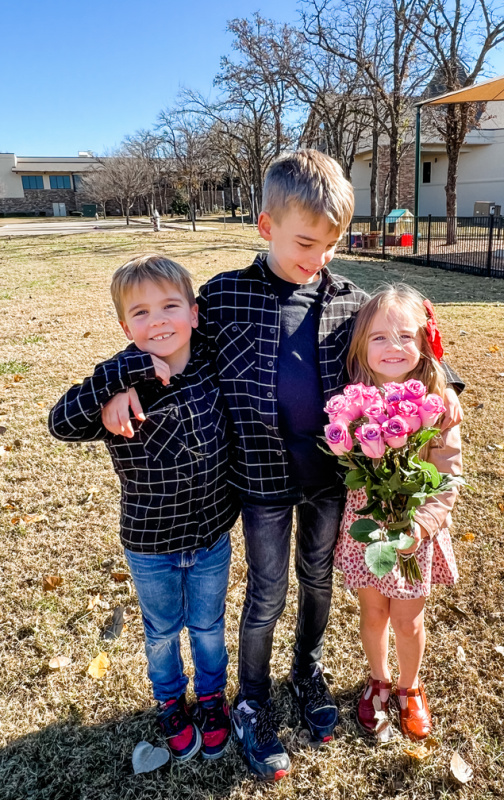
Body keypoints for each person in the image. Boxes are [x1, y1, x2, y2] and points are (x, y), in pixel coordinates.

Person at [100, 150, 465, 781]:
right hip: (260, 482)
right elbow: (164, 341)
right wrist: (120, 382)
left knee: (318, 581)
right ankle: (251, 697)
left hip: (331, 479)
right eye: (305, 242)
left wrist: (450, 381)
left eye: (331, 244)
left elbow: (408, 339)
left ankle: (307, 673)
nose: (319, 256)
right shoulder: (222, 297)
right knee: (267, 593)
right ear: (266, 226)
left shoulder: (351, 301)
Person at [48, 254, 238, 763]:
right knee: (161, 632)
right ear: (123, 324)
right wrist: (119, 378)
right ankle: (170, 701)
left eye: (170, 306)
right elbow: (59, 423)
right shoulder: (117, 382)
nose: (157, 321)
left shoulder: (213, 366)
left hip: (212, 538)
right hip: (150, 546)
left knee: (208, 627)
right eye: (140, 313)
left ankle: (212, 699)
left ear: (194, 313)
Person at [334, 285, 462, 742]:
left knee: (408, 619)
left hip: (414, 531)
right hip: (366, 527)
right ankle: (379, 681)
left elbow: (447, 475)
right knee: (373, 612)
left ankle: (409, 688)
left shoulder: (439, 405)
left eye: (406, 337)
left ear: (425, 344)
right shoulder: (352, 400)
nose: (393, 348)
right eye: (379, 338)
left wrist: (421, 527)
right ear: (361, 348)